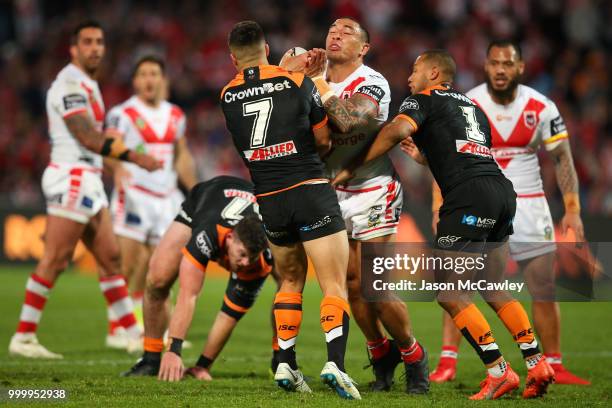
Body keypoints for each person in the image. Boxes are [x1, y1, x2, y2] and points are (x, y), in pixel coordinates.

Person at [334, 49, 555, 400]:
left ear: (434, 72)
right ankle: (537, 362)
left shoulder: (424, 98)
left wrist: (351, 165)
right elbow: (465, 152)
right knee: (493, 286)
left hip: (467, 198)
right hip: (500, 192)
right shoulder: (473, 107)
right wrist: (426, 156)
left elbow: (396, 129)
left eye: (415, 70)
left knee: (450, 293)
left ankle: (499, 371)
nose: (409, 78)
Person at [428, 40, 589, 386]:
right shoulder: (468, 102)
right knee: (461, 286)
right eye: (494, 63)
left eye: (507, 63)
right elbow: (443, 156)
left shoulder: (541, 106)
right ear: (485, 66)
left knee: (542, 287)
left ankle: (553, 364)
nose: (500, 69)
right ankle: (448, 362)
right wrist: (438, 203)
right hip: (475, 200)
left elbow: (563, 158)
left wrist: (573, 209)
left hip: (529, 202)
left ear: (520, 68)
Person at [220, 21, 360, 400]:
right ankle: (336, 364)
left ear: (233, 58)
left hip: (269, 199)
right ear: (267, 48)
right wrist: (312, 80)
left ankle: (285, 361)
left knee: (290, 282)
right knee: (333, 283)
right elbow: (329, 136)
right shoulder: (298, 82)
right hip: (309, 188)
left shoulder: (227, 94)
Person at [8, 21, 161, 359]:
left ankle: (133, 335)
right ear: (73, 48)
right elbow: (88, 138)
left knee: (109, 257)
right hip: (72, 175)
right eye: (88, 42)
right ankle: (23, 336)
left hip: (88, 176)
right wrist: (135, 157)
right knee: (57, 258)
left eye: (100, 42)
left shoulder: (89, 84)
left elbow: (97, 142)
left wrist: (116, 161)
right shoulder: (69, 84)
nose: (96, 48)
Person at [305, 17, 427, 393]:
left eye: (347, 32)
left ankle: (413, 355)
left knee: (375, 285)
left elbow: (343, 120)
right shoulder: (310, 79)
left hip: (373, 187)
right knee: (352, 285)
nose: (336, 34)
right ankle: (381, 355)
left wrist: (315, 82)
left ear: (363, 48)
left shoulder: (372, 83)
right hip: (331, 190)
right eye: (332, 30)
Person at [122, 176, 275, 379]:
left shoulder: (262, 260)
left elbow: (229, 315)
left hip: (245, 204)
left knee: (280, 283)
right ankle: (150, 359)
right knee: (158, 280)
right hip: (206, 199)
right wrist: (173, 350)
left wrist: (203, 366)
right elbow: (188, 294)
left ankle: (281, 358)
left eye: (252, 257)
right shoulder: (209, 233)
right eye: (242, 255)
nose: (246, 263)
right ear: (229, 239)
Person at [103, 55, 197, 349]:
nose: (149, 79)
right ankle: (116, 328)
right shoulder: (123, 113)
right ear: (135, 80)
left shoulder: (175, 115)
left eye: (154, 73)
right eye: (143, 73)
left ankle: (159, 329)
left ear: (162, 79)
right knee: (128, 264)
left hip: (166, 197)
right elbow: (109, 148)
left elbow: (181, 154)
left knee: (162, 267)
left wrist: (194, 188)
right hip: (134, 194)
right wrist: (117, 169)